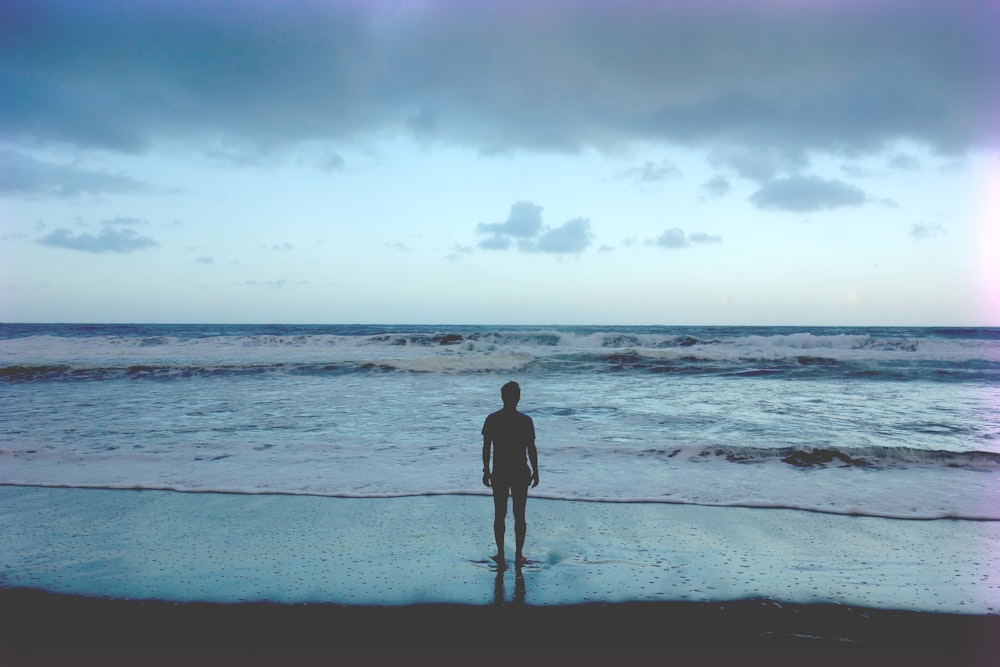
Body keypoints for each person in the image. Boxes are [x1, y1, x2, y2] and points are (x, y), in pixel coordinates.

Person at [482, 381, 539, 569]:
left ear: (502, 397)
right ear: (518, 398)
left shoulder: (493, 419)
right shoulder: (525, 421)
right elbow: (531, 449)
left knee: (500, 514)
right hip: (521, 471)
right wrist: (536, 470)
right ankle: (518, 555)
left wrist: (486, 471)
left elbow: (486, 448)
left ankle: (500, 553)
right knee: (519, 515)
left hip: (500, 471)